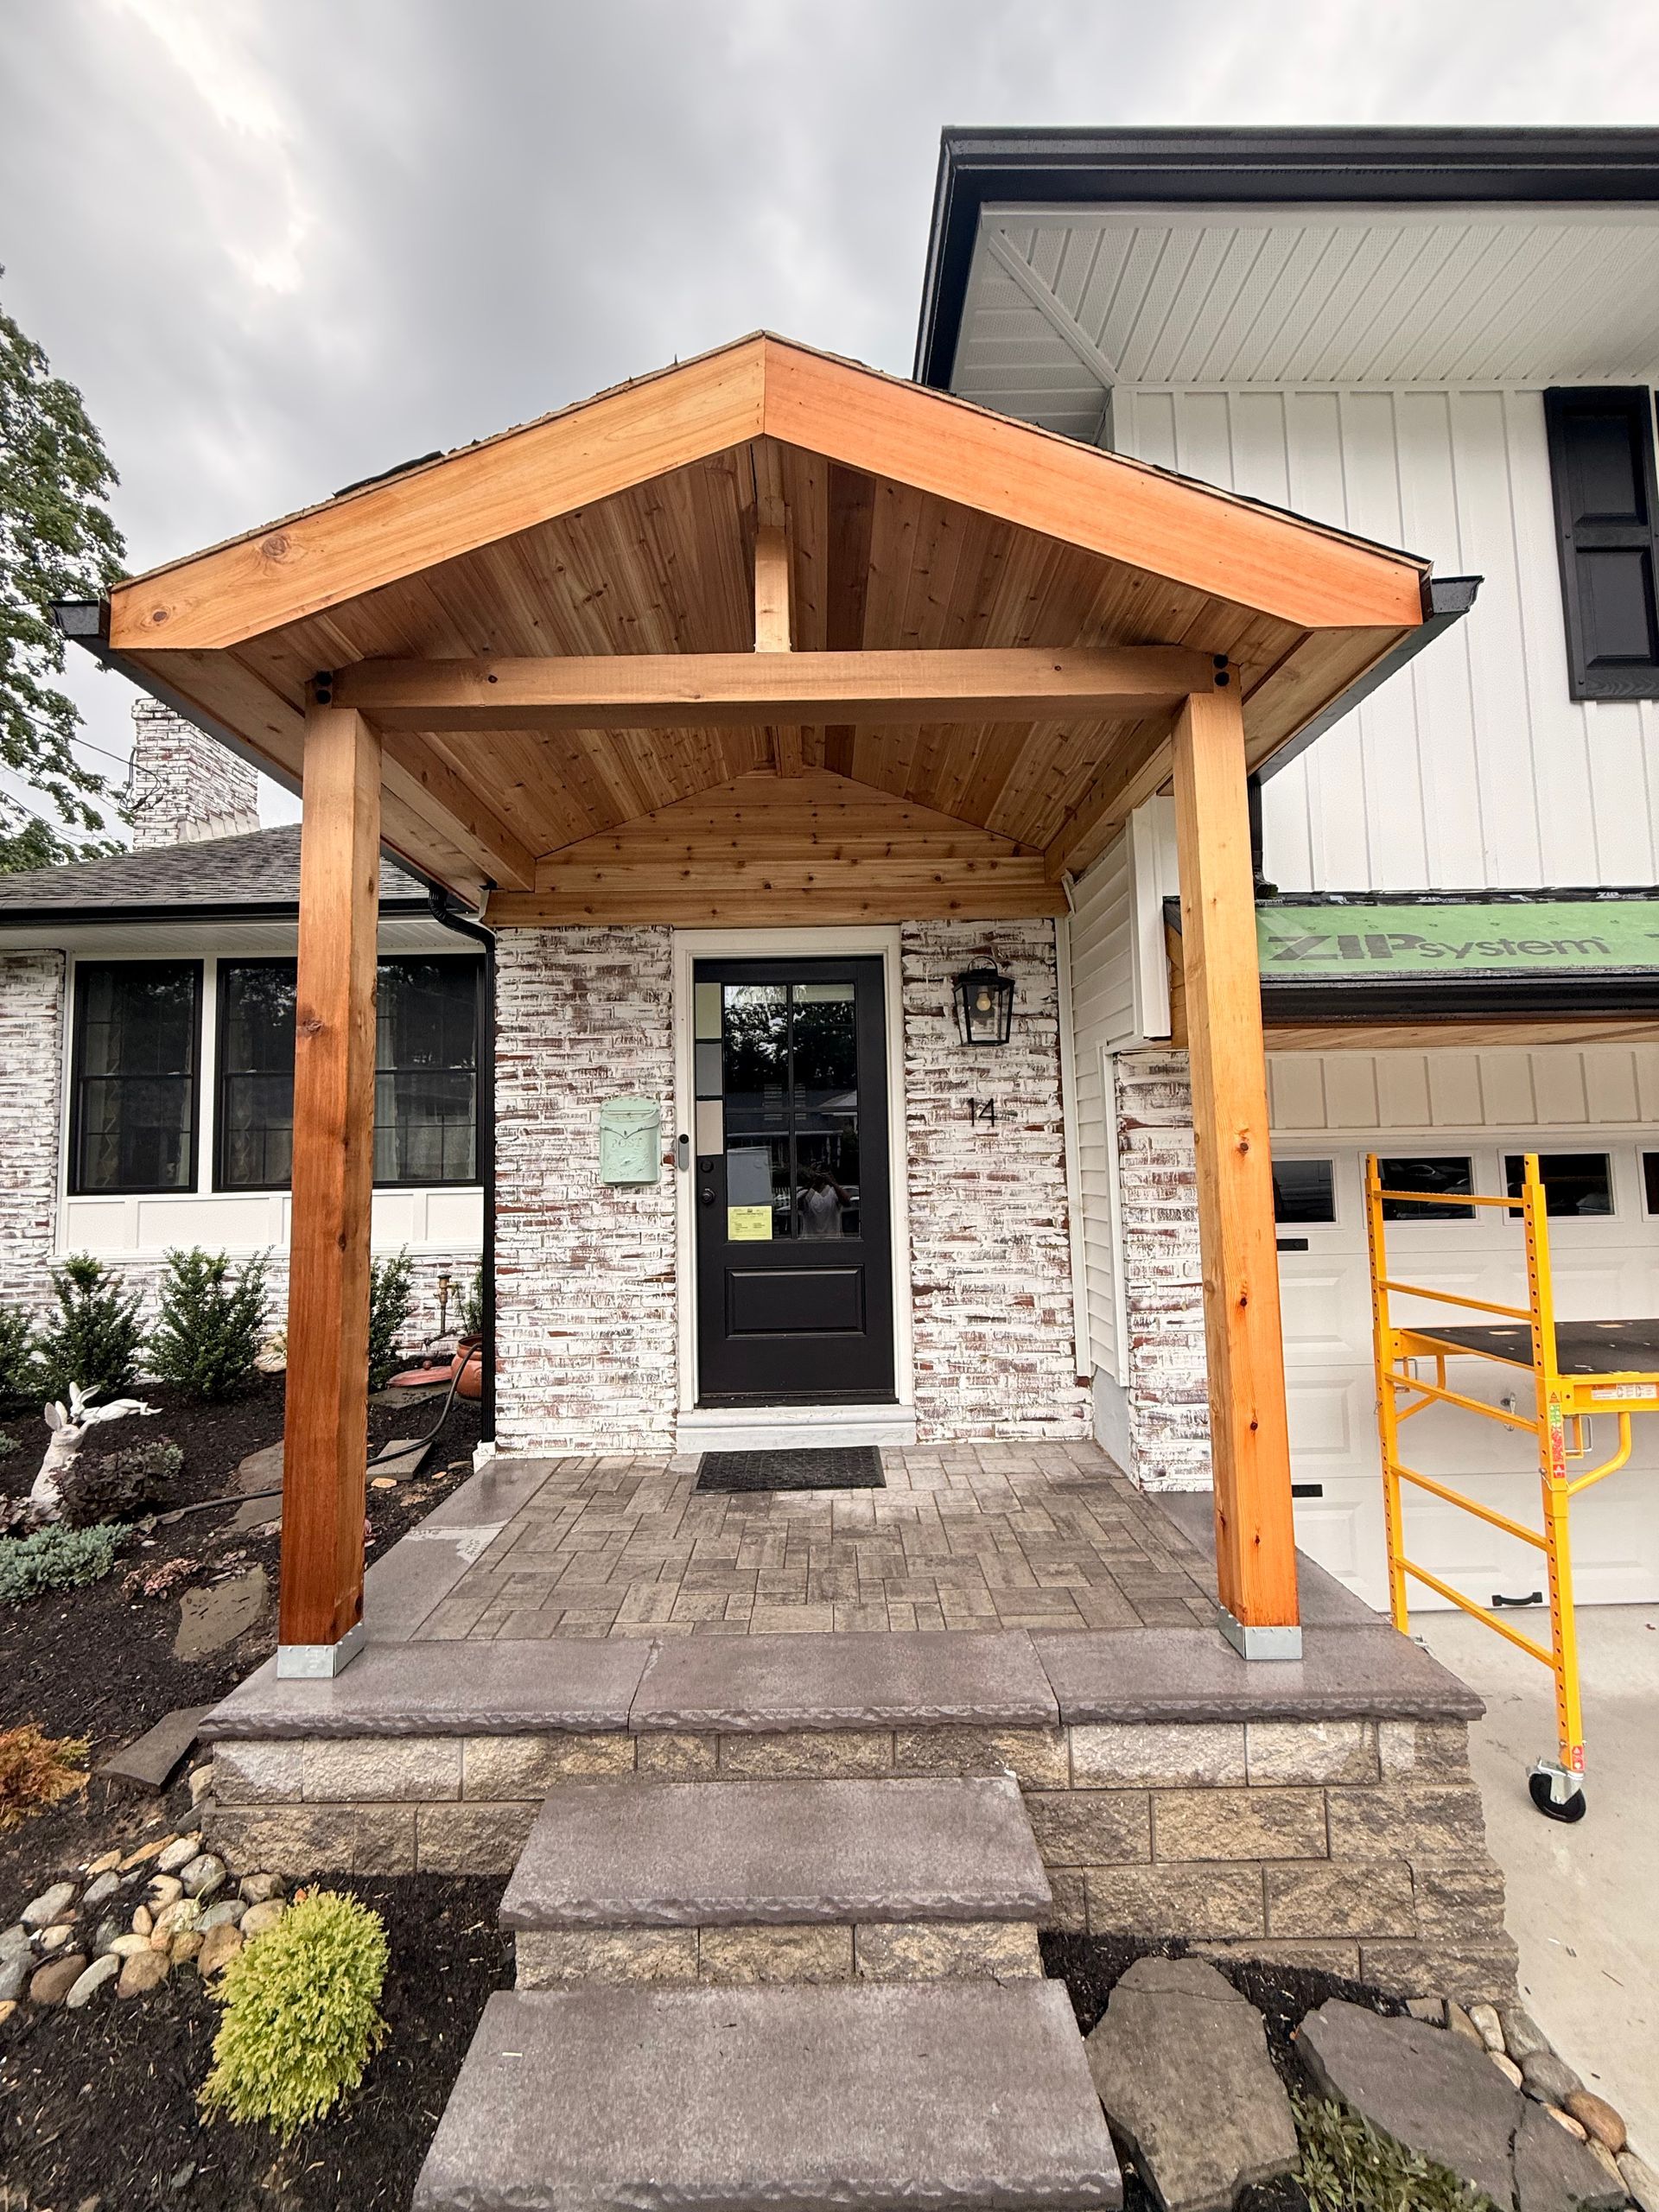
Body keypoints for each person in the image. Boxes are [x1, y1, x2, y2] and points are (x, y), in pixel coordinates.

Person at [798, 1166, 851, 1238]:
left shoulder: (834, 1192)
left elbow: (847, 1202)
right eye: (817, 1174)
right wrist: (813, 1184)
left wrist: (832, 1182)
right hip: (811, 1241)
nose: (820, 1176)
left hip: (832, 1241)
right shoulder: (804, 1193)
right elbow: (798, 1205)